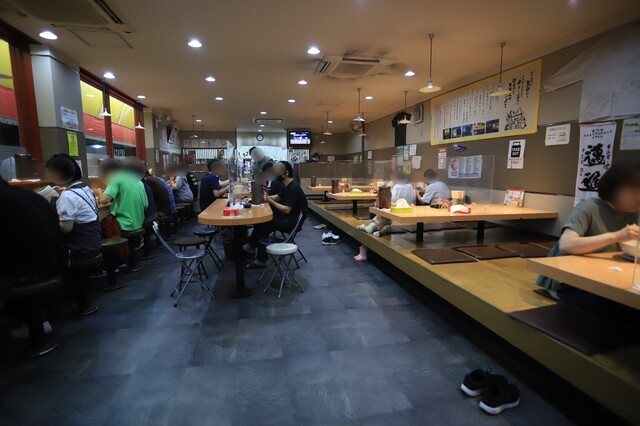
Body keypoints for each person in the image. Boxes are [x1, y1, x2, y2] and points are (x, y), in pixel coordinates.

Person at [537, 163, 640, 317]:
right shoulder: (589, 208)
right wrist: (616, 236)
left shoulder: (634, 213)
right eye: (634, 190)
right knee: (615, 309)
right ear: (614, 188)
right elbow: (566, 244)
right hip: (567, 282)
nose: (638, 197)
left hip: (604, 278)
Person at [0, 177, 64, 338]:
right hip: (58, 264)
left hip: (26, 274)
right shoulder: (32, 196)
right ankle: (38, 317)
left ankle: (29, 320)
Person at [243, 161, 307, 268]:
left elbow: (287, 210)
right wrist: (262, 198)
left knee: (264, 224)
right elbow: (277, 196)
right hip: (287, 217)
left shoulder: (293, 188)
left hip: (291, 221)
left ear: (286, 173)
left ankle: (258, 256)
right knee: (263, 223)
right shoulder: (286, 184)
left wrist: (269, 201)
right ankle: (252, 247)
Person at [46, 154, 102, 257]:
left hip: (81, 248)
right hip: (94, 243)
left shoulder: (67, 196)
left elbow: (66, 228)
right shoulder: (85, 188)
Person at [96, 159, 148, 232]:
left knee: (101, 230)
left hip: (123, 226)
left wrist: (99, 192)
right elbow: (146, 206)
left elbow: (104, 200)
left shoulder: (115, 178)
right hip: (139, 225)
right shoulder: (138, 180)